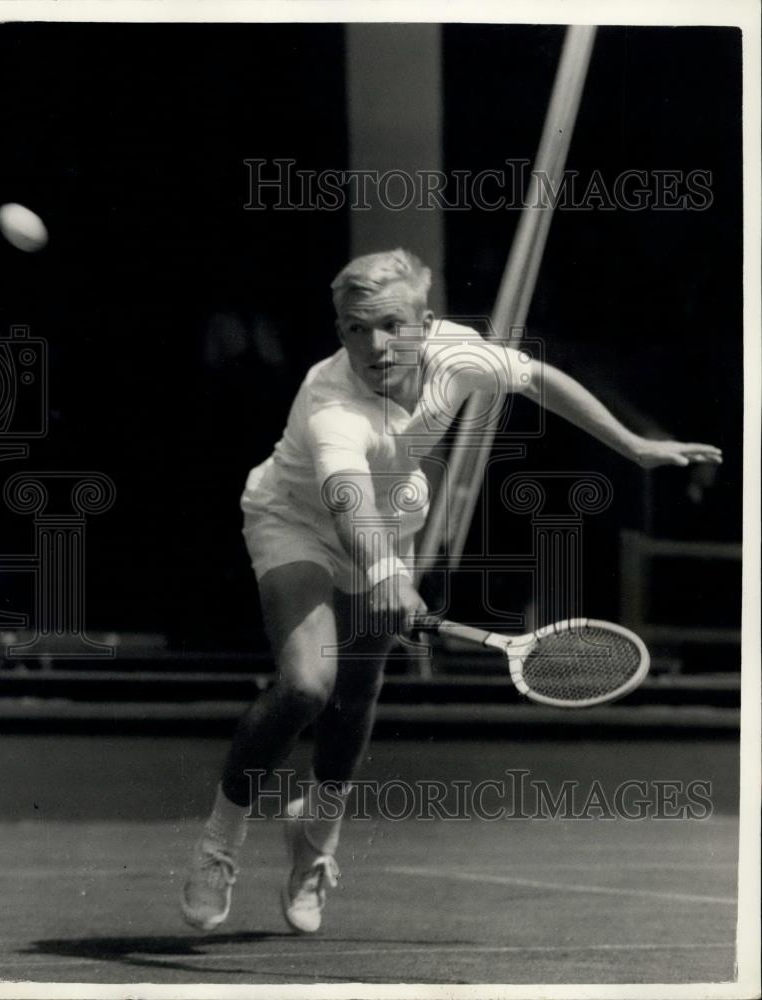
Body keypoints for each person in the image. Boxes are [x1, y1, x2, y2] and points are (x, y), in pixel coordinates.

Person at [180, 248, 721, 935]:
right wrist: (385, 575)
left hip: (395, 515)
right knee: (308, 685)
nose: (373, 346)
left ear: (424, 321)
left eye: (388, 325)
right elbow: (347, 504)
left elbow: (540, 380)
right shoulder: (330, 406)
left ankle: (315, 840)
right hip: (297, 523)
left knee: (359, 693)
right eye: (353, 328)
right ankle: (219, 841)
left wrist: (635, 446)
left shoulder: (457, 354)